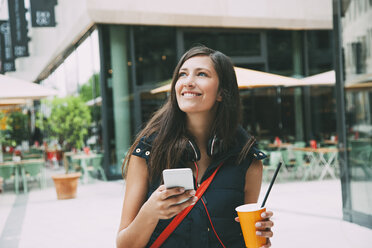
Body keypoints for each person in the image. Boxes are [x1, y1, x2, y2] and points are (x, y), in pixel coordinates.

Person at [117, 46, 274, 248]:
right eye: (182, 74)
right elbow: (124, 245)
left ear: (221, 93)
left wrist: (260, 236)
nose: (188, 81)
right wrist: (150, 211)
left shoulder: (247, 158)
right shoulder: (147, 150)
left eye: (201, 74)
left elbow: (247, 238)